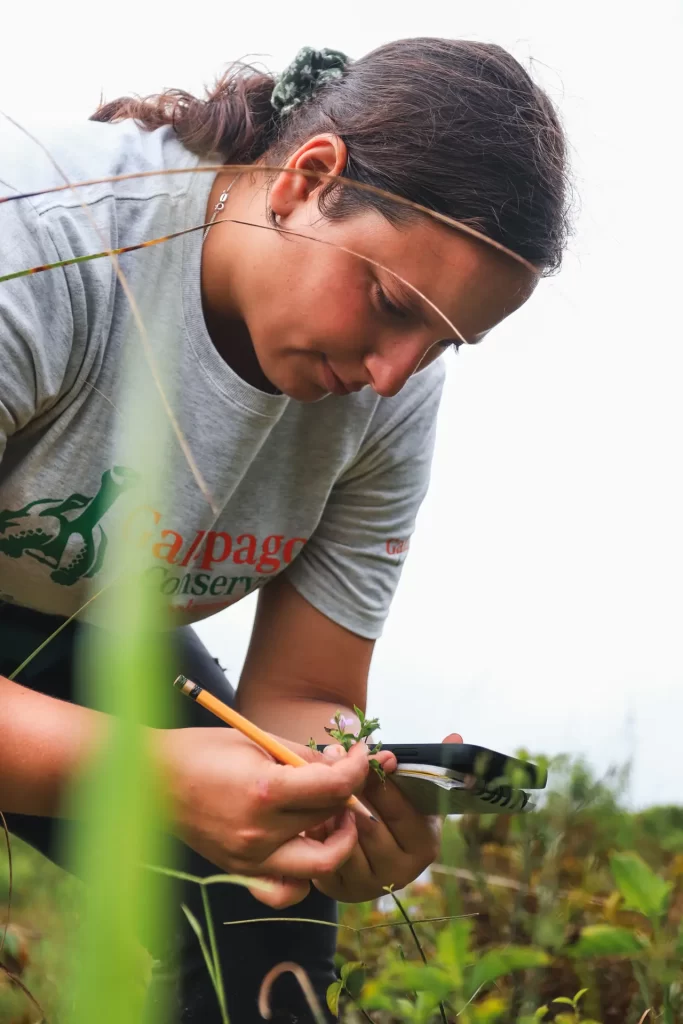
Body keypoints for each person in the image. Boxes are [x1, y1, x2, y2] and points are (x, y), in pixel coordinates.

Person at [0, 37, 570, 1023]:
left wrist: (339, 801)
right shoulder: (41, 240)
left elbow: (305, 694)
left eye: (442, 344)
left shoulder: (386, 395)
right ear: (310, 179)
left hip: (70, 624)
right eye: (389, 303)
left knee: (272, 900)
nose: (391, 375)